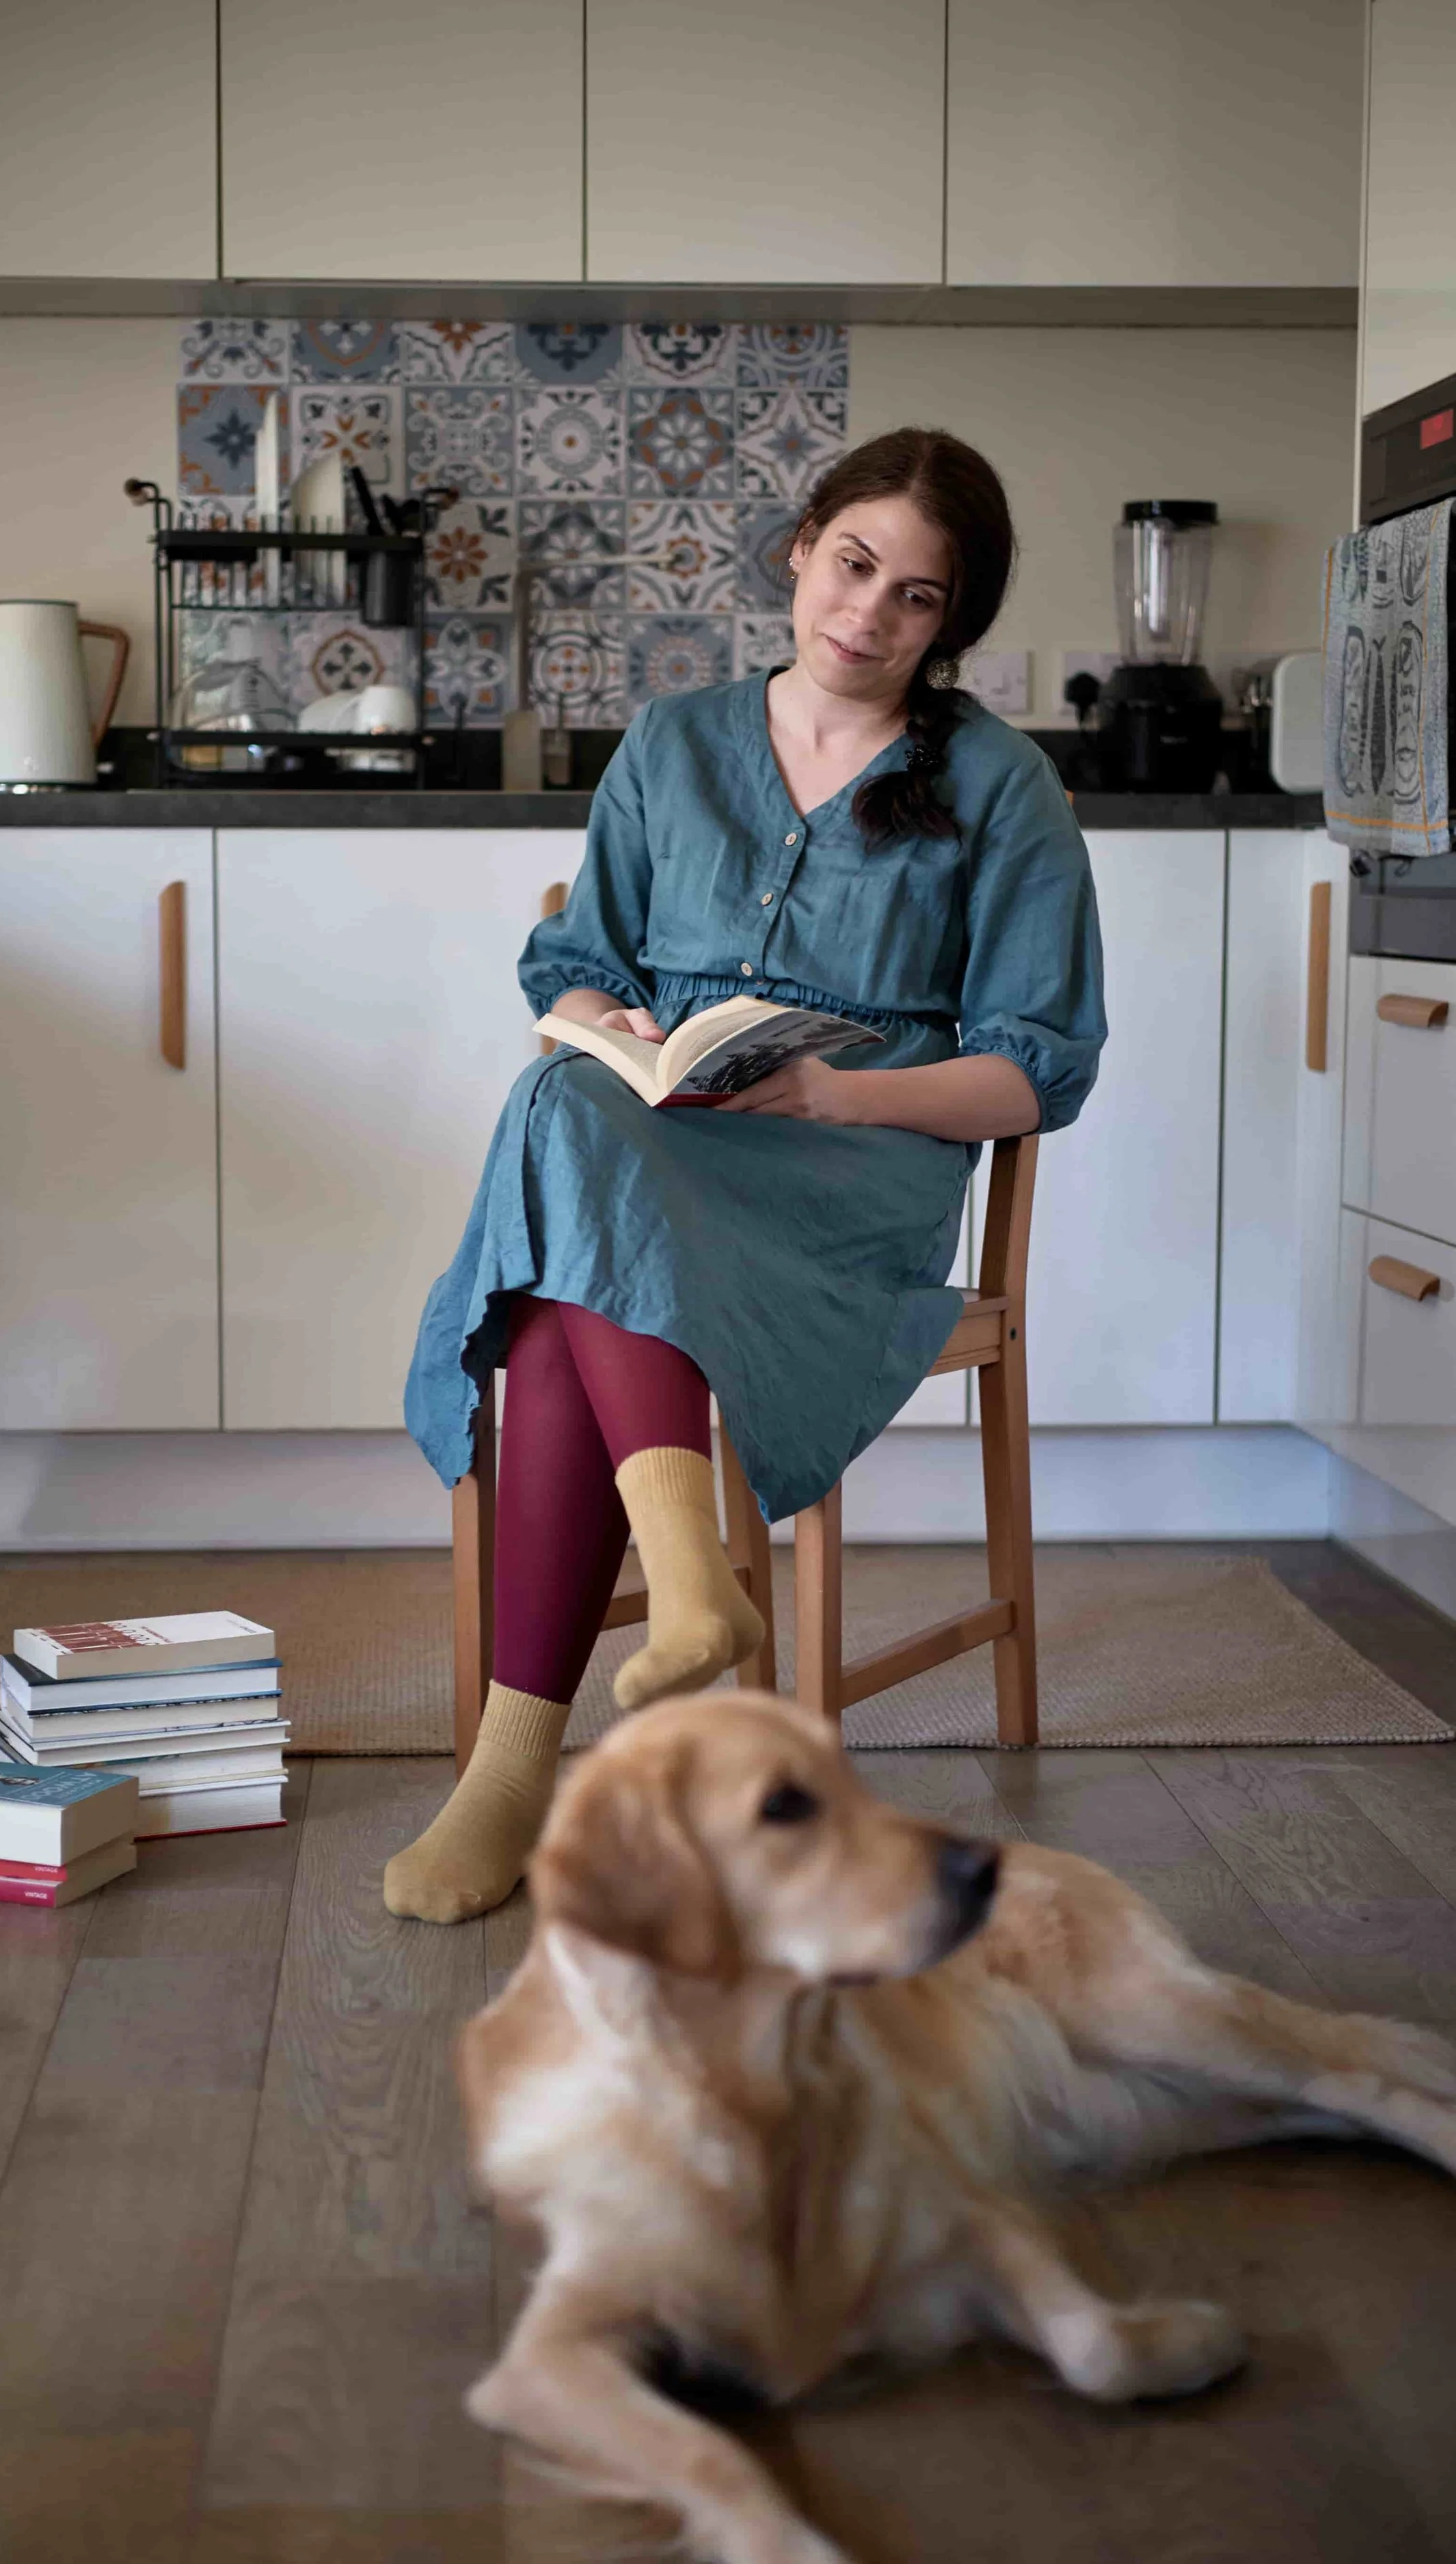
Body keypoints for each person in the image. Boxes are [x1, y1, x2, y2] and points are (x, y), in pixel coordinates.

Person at [389, 426, 1106, 1924]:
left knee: (552, 1272)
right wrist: (618, 1025)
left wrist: (842, 1096)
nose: (866, 615)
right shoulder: (672, 744)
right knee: (564, 1101)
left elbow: (1038, 1067)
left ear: (947, 622)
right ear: (799, 549)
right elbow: (573, 967)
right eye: (852, 566)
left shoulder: (999, 782)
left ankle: (517, 1764)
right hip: (670, 1144)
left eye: (916, 597)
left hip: (857, 1177)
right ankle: (687, 1581)